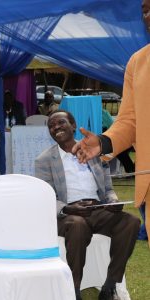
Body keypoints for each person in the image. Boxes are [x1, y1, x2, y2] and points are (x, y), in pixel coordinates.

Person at [35, 110, 140, 300]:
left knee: (130, 221)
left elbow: (107, 189)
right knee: (77, 225)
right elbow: (46, 197)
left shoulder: (93, 152)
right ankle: (74, 289)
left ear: (74, 126)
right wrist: (67, 208)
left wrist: (113, 200)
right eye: (51, 126)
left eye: (61, 122)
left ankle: (110, 285)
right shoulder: (44, 160)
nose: (56, 127)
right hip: (67, 214)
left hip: (97, 209)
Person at [72, 0, 150, 244]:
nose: (148, 16)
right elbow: (130, 120)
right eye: (145, 9)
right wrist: (104, 143)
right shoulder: (138, 63)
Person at [102, 108, 135, 174]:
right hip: (120, 139)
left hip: (122, 139)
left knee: (120, 153)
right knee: (120, 153)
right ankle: (131, 170)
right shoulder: (105, 113)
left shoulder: (104, 113)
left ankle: (131, 170)